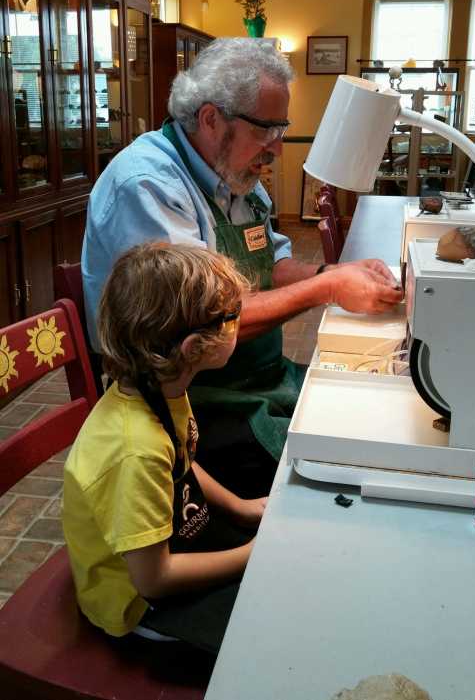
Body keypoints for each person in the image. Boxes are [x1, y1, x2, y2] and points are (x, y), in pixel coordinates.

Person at [82, 38, 402, 497]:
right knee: (330, 485)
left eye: (282, 128)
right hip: (186, 399)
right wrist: (327, 288)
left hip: (255, 378)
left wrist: (333, 275)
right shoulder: (149, 185)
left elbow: (270, 264)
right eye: (266, 130)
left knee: (357, 427)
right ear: (211, 118)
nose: (277, 148)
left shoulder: (236, 176)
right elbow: (200, 326)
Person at [63, 242, 265, 654]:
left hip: (178, 541)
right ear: (193, 348)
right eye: (231, 317)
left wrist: (241, 507)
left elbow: (181, 460)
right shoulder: (134, 449)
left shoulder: (161, 387)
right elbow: (156, 579)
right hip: (142, 605)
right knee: (267, 631)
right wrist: (253, 553)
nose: (239, 321)